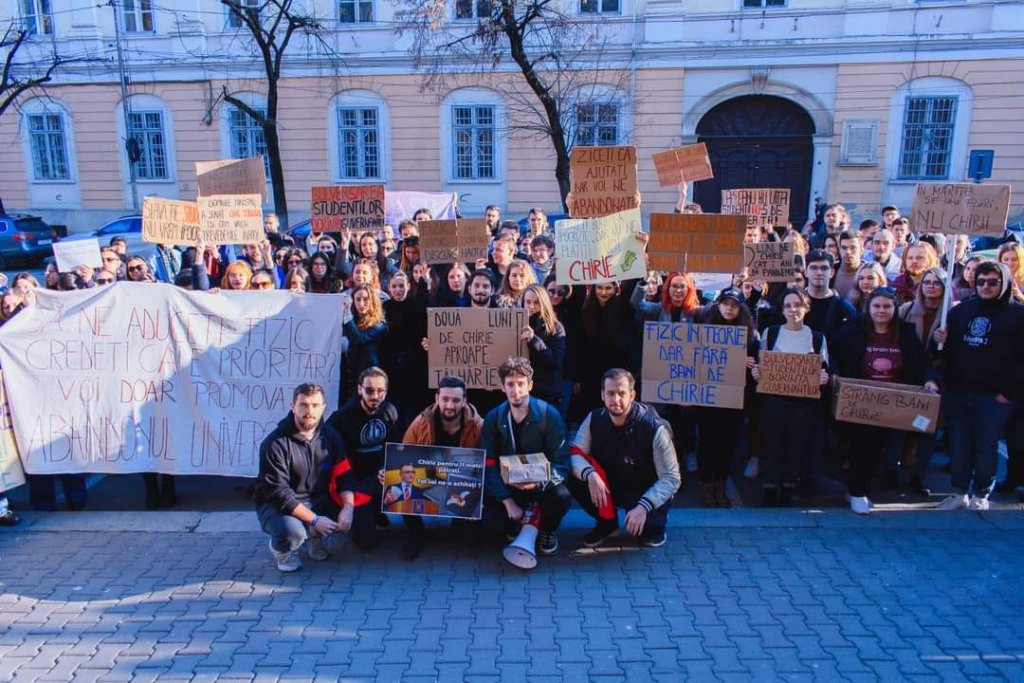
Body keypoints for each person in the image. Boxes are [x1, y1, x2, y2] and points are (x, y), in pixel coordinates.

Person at [831, 287, 939, 514]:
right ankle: (857, 492)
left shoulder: (907, 333)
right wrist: (834, 372)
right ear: (868, 308)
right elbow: (832, 354)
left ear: (895, 308)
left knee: (879, 450)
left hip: (892, 403)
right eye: (877, 306)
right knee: (862, 447)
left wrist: (930, 381)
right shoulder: (852, 330)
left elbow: (921, 363)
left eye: (887, 306)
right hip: (859, 401)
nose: (881, 311)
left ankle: (856, 489)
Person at [934, 261, 1024, 510]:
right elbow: (944, 351)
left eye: (992, 282)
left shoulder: (1019, 315)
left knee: (986, 447)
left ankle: (981, 493)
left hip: (995, 397)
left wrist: (1009, 393)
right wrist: (939, 339)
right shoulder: (962, 310)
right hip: (959, 391)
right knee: (959, 446)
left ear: (1004, 282)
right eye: (981, 281)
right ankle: (958, 491)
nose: (985, 286)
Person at [567, 369, 680, 548]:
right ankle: (607, 524)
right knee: (572, 475)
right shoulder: (594, 418)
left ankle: (655, 518)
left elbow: (671, 478)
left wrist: (643, 506)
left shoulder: (654, 429)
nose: (616, 399)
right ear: (602, 395)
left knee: (649, 534)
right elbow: (574, 454)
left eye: (622, 393)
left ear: (632, 395)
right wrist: (590, 474)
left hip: (643, 489)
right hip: (609, 484)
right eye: (611, 393)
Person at [481, 357, 572, 568]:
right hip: (509, 486)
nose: (516, 390)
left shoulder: (549, 415)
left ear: (530, 385)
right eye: (510, 384)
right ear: (502, 387)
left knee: (562, 496)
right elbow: (488, 462)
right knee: (489, 524)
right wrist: (506, 501)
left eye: (521, 384)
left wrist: (539, 484)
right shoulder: (494, 418)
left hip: (541, 484)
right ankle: (514, 525)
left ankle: (547, 529)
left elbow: (562, 464)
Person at [254, 383, 354, 572]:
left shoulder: (331, 436)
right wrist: (315, 520)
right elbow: (280, 495)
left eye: (315, 405)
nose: (310, 411)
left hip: (316, 499)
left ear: (324, 407)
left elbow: (344, 475)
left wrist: (348, 508)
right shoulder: (274, 444)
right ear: (293, 407)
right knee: (293, 533)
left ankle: (315, 538)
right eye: (304, 405)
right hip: (278, 506)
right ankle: (281, 548)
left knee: (356, 512)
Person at [752, 288, 831, 506]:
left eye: (797, 305)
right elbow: (762, 364)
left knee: (796, 445)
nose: (792, 309)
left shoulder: (817, 338)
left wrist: (823, 377)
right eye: (788, 305)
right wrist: (757, 373)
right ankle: (769, 489)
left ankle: (787, 488)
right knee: (772, 444)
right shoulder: (771, 332)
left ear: (806, 308)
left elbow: (824, 370)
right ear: (782, 309)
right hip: (773, 401)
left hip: (803, 404)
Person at [325, 368, 413, 553]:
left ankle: (380, 511)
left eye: (380, 391)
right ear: (359, 389)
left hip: (380, 476)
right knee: (367, 543)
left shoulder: (390, 411)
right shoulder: (341, 418)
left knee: (410, 479)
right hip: (354, 483)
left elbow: (397, 447)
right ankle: (365, 514)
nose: (376, 396)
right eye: (370, 390)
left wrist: (387, 469)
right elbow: (331, 456)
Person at [692, 288, 759, 507]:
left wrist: (750, 364)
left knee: (728, 444)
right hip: (708, 397)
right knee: (707, 442)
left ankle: (720, 484)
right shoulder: (703, 328)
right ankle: (705, 484)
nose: (729, 308)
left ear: (741, 308)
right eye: (725, 303)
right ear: (718, 305)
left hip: (736, 399)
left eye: (734, 304)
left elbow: (757, 367)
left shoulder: (750, 335)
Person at [521, 284, 567, 410]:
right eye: (527, 302)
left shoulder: (556, 329)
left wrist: (533, 340)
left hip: (547, 394)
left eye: (536, 303)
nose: (531, 306)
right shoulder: (516, 325)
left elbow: (555, 360)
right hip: (521, 392)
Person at [833, 230, 865, 300]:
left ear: (861, 249)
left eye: (853, 248)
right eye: (844, 248)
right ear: (839, 250)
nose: (848, 252)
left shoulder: (869, 272)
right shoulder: (830, 271)